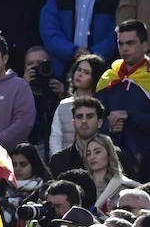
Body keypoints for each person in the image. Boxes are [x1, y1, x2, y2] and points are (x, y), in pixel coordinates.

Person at [96, 19, 150, 180]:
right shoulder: (110, 76)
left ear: (145, 45)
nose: (124, 48)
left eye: (130, 43)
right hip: (112, 162)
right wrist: (110, 127)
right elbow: (95, 118)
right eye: (121, 43)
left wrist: (129, 116)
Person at [51, 53, 111, 153]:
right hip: (66, 162)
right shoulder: (63, 105)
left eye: (86, 72)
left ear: (95, 77)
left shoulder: (102, 107)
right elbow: (56, 138)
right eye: (79, 70)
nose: (80, 74)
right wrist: (57, 160)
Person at [50, 95, 111, 175]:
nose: (84, 121)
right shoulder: (58, 161)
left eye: (89, 116)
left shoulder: (117, 158)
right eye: (79, 117)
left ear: (99, 123)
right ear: (73, 122)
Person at [84, 133, 135, 212]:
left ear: (109, 153)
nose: (92, 157)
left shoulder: (124, 185)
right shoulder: (82, 182)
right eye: (88, 154)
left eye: (97, 152)